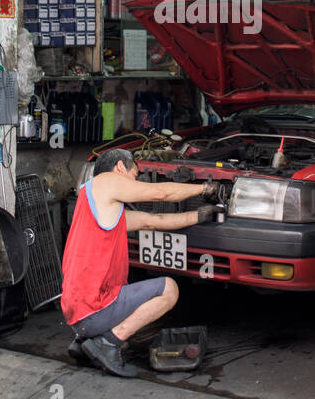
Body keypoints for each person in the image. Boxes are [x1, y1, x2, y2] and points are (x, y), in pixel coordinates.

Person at [61, 147, 220, 377]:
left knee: (123, 290)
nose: (136, 180)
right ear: (119, 168)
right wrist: (205, 188)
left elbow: (153, 221)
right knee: (169, 289)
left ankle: (85, 340)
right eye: (135, 174)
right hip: (94, 310)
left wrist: (201, 215)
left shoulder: (97, 204)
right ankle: (108, 343)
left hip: (78, 314)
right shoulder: (106, 181)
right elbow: (160, 193)